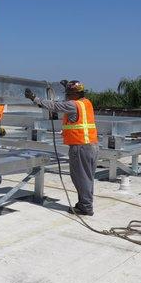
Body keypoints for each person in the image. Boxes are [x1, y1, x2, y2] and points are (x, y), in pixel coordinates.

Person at [25, 80, 98, 216]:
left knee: (81, 178)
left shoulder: (72, 104)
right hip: (91, 146)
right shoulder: (86, 102)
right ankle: (85, 203)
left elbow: (54, 106)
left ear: (74, 94)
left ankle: (85, 207)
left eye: (68, 94)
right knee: (87, 177)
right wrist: (67, 87)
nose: (67, 97)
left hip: (80, 147)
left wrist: (35, 98)